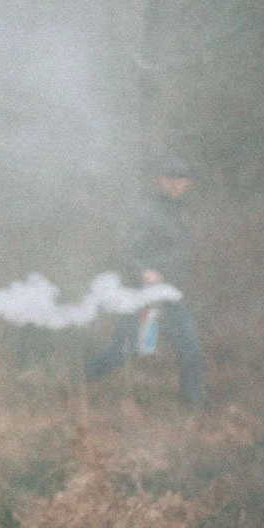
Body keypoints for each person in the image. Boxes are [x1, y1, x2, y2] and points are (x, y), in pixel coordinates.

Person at [85, 157, 205, 405]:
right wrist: (144, 273)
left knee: (190, 346)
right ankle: (77, 380)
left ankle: (194, 406)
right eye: (169, 179)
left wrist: (172, 274)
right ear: (159, 181)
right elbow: (126, 252)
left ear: (188, 183)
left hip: (169, 296)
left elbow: (181, 256)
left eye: (180, 179)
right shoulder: (149, 212)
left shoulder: (181, 213)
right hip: (142, 297)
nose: (175, 184)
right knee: (121, 353)